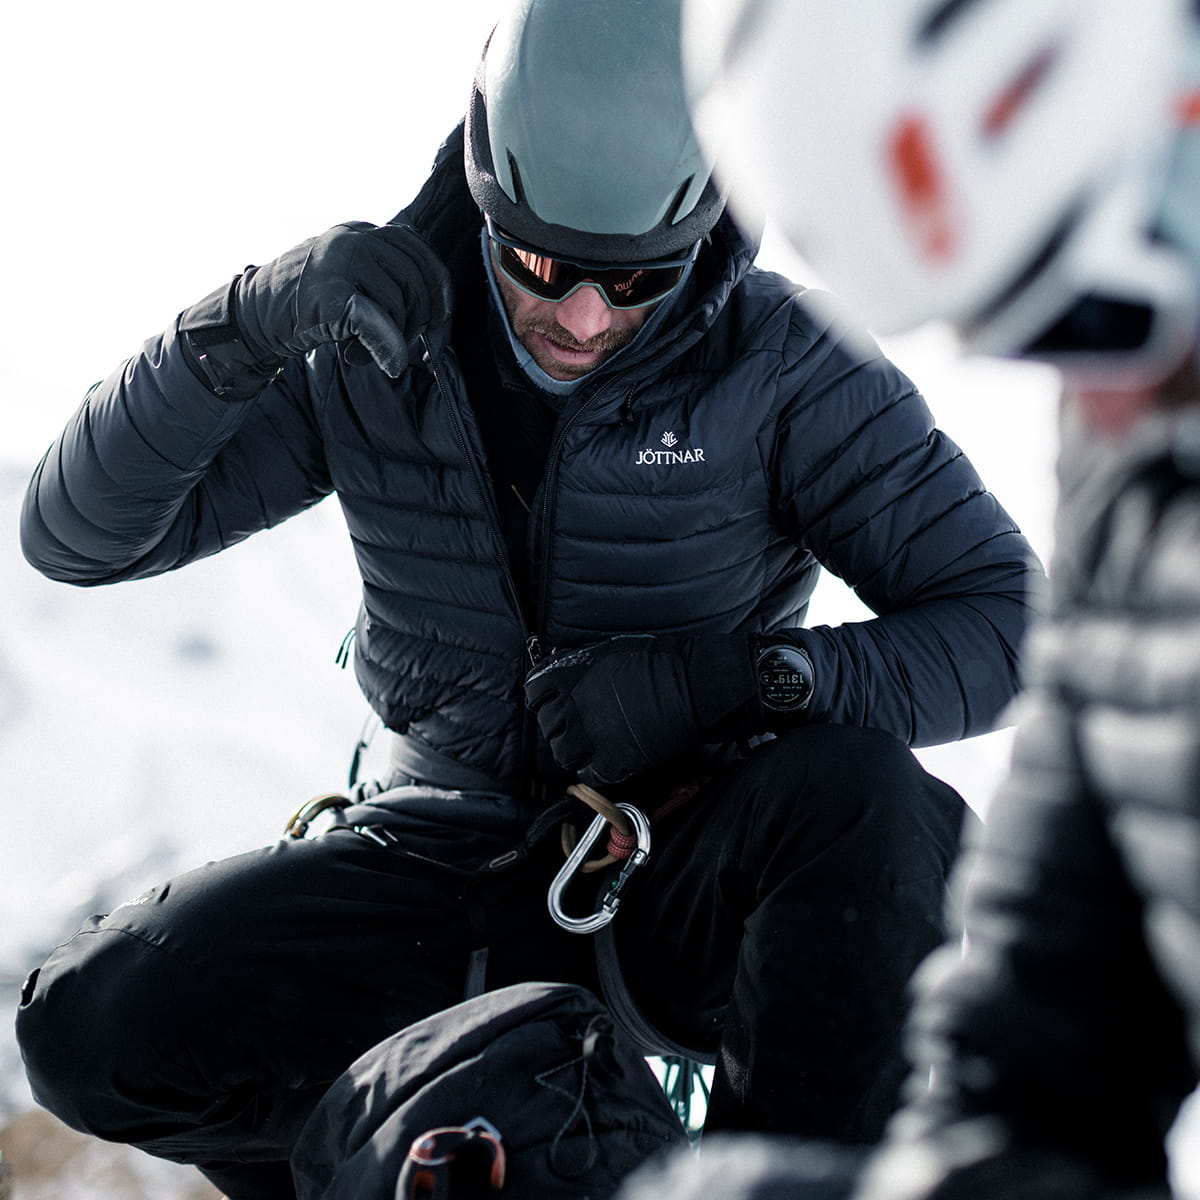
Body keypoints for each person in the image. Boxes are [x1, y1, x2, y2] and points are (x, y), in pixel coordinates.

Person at [13, 1, 1040, 1197]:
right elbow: (76, 537)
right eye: (545, 266)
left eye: (638, 280)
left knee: (873, 803)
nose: (586, 318)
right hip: (427, 863)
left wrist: (733, 681)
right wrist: (241, 329)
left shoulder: (786, 368)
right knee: (92, 1029)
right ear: (485, 191)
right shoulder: (368, 344)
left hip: (676, 867)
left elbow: (1009, 626)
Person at [662, 0, 1200, 1196]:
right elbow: (1040, 1042)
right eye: (1024, 339)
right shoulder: (1141, 428)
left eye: (1094, 312)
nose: (1092, 402)